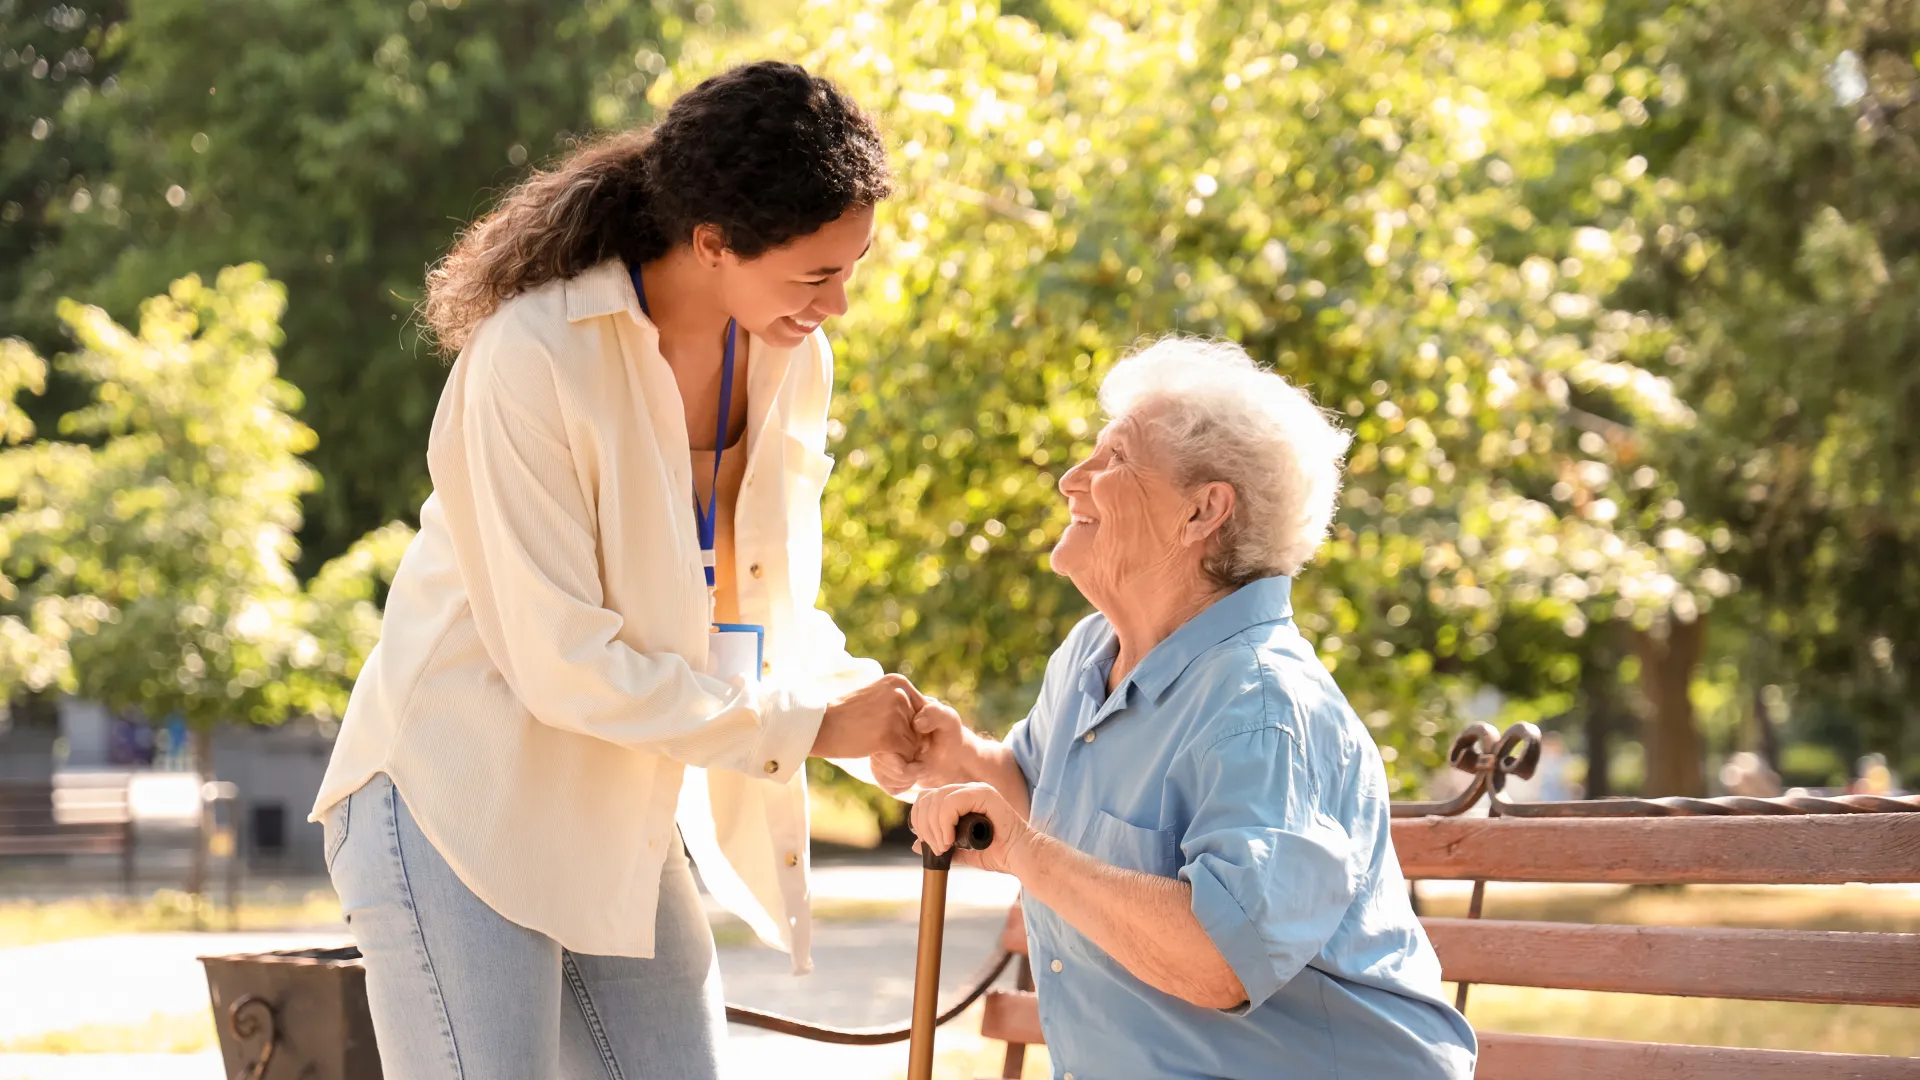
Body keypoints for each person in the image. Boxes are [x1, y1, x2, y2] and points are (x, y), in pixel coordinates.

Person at [310, 62, 924, 1080]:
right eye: (817, 274)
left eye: (850, 267)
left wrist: (879, 723)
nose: (841, 303)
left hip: (619, 817)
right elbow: (562, 664)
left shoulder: (789, 355)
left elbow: (766, 608)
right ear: (713, 243)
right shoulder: (530, 359)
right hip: (456, 804)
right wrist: (809, 730)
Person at [878, 338, 1477, 1079]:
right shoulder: (1092, 654)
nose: (1072, 480)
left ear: (1203, 511)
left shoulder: (1262, 703)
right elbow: (1040, 801)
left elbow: (1224, 960)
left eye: (1114, 461)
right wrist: (960, 758)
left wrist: (1021, 852)